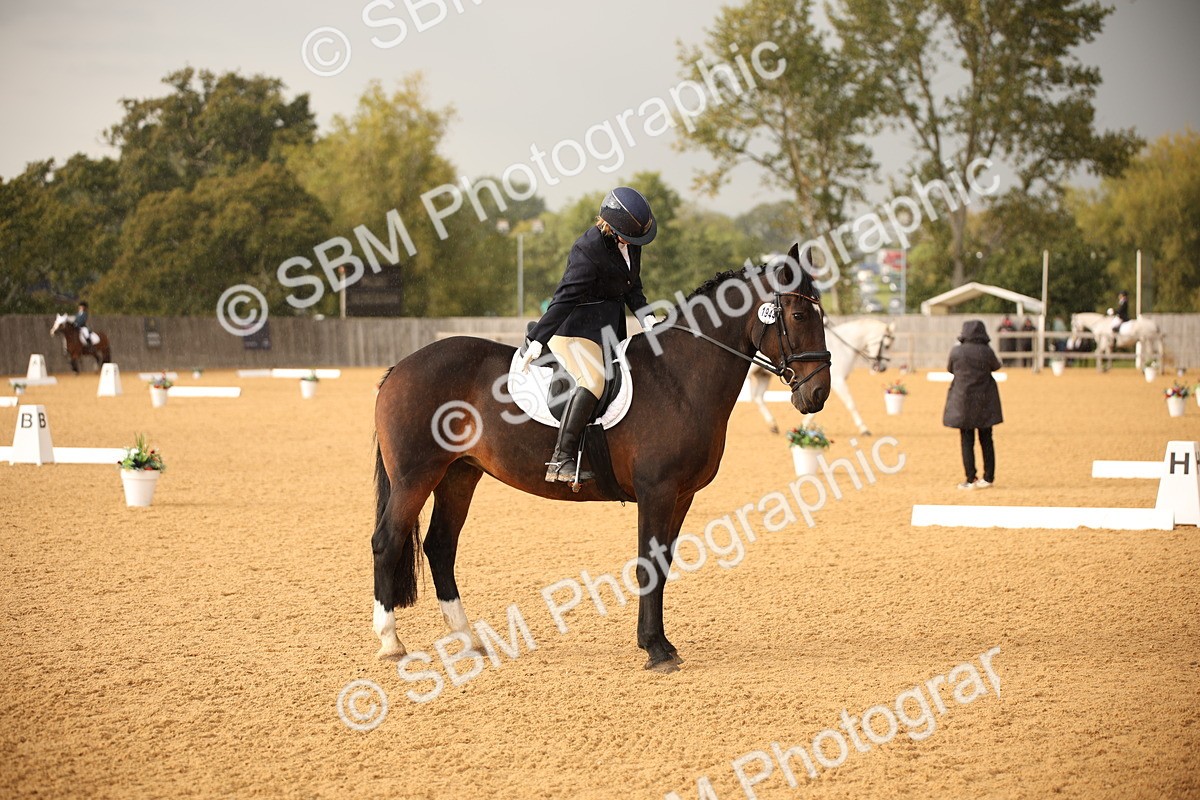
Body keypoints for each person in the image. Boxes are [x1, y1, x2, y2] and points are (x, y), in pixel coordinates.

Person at [518, 186, 658, 483]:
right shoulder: (588, 249)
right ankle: (561, 458)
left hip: (608, 329)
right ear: (611, 226)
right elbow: (564, 298)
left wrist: (648, 320)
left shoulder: (631, 242)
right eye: (628, 237)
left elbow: (632, 287)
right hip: (573, 330)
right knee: (594, 379)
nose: (632, 243)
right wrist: (537, 339)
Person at [943, 320, 1003, 489]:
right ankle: (989, 478)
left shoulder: (956, 351)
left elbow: (950, 369)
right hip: (984, 401)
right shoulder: (986, 351)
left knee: (966, 440)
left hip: (963, 401)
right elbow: (996, 367)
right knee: (987, 440)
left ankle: (971, 478)